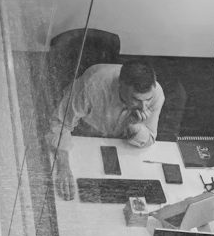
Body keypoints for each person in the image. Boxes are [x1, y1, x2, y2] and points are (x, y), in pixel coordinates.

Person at [49, 60, 164, 200]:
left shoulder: (156, 94)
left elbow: (150, 138)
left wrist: (135, 127)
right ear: (121, 85)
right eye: (136, 99)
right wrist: (63, 166)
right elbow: (60, 124)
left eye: (148, 100)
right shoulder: (93, 85)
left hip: (118, 144)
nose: (144, 107)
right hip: (83, 134)